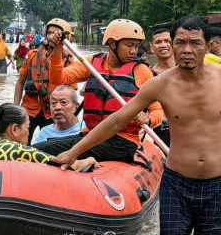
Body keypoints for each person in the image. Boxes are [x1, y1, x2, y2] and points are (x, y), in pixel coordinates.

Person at [51, 15, 221, 235]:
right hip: (177, 183)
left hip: (219, 183)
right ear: (172, 45)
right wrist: (73, 152)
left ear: (207, 46)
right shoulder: (160, 84)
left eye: (195, 43)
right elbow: (117, 120)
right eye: (180, 42)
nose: (187, 50)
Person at [33, 18, 164, 165]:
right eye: (129, 45)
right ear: (113, 43)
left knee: (47, 150)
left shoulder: (141, 71)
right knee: (40, 148)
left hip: (122, 142)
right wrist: (57, 50)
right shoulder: (92, 63)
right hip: (91, 136)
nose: (134, 51)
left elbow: (157, 110)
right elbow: (58, 79)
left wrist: (149, 119)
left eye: (136, 46)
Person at [0, 103, 95, 171]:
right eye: (27, 128)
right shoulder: (20, 151)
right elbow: (64, 165)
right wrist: (88, 160)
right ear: (15, 129)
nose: (28, 132)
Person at [14, 18, 79, 139]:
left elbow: (72, 90)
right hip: (29, 108)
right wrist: (15, 108)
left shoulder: (68, 59)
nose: (51, 36)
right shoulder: (32, 55)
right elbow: (20, 82)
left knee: (52, 147)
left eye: (55, 33)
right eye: (49, 33)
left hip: (52, 112)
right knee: (20, 143)